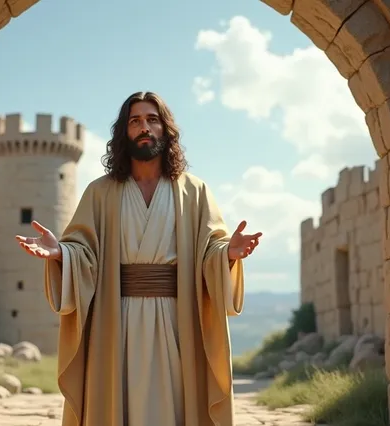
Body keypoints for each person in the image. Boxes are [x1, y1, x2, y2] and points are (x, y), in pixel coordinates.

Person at [15, 91, 262, 426]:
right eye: (135, 121)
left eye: (152, 119)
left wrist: (227, 255)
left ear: (165, 130)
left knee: (175, 408)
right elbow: (83, 251)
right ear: (124, 132)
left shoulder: (194, 191)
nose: (144, 127)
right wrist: (62, 253)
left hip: (178, 321)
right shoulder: (100, 192)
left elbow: (210, 251)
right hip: (116, 320)